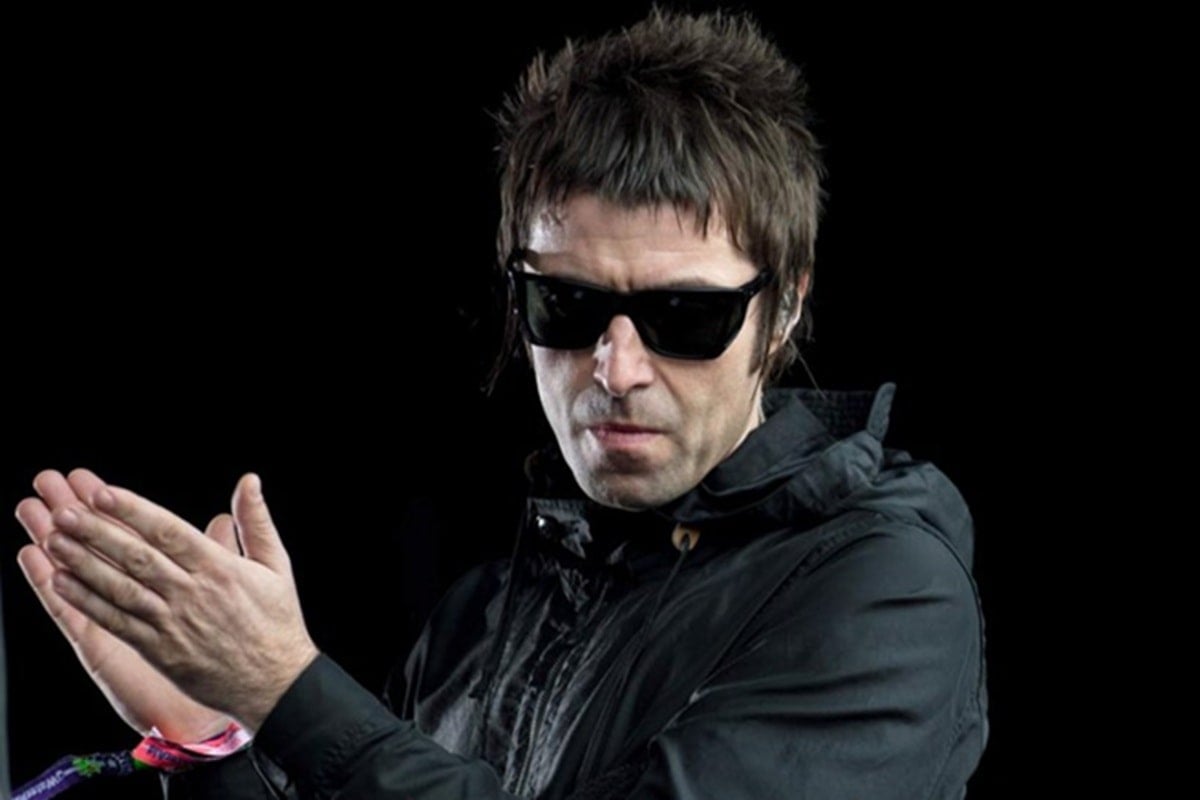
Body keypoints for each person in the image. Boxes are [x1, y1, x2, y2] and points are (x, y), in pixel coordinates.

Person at [13, 6, 989, 798]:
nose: (616, 367)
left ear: (784, 309)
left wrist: (287, 691)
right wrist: (212, 740)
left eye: (684, 315)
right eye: (568, 306)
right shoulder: (490, 610)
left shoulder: (885, 591)